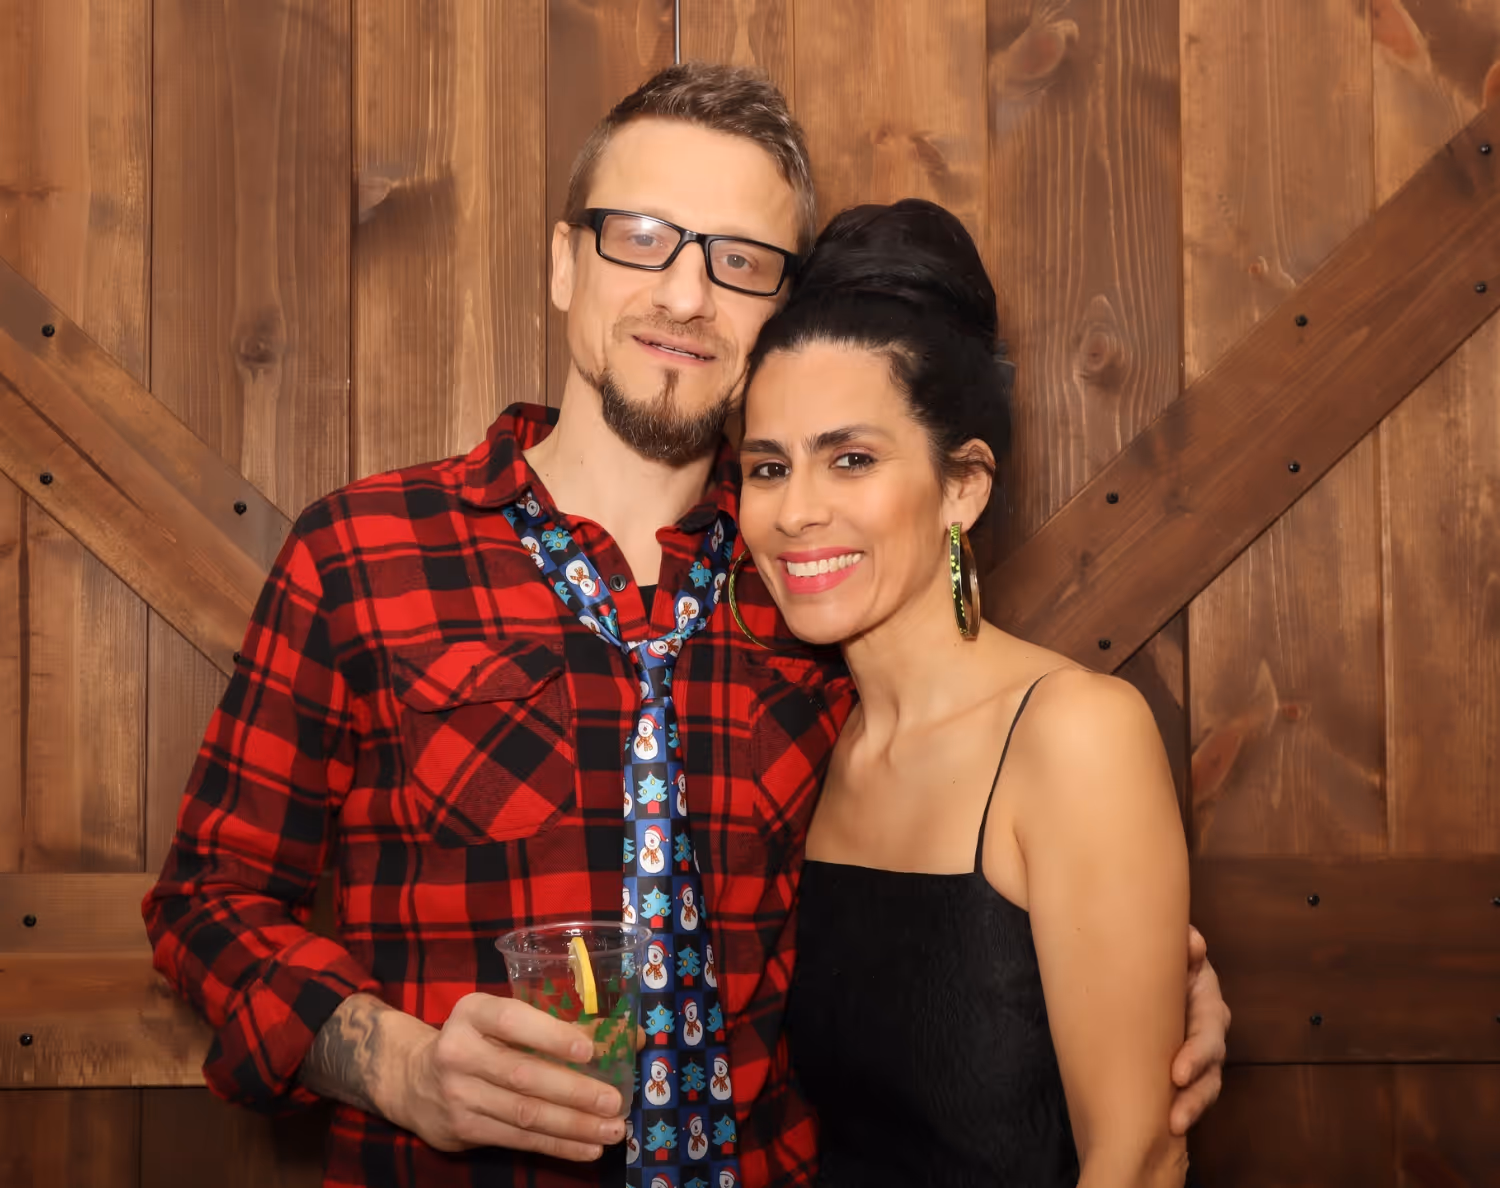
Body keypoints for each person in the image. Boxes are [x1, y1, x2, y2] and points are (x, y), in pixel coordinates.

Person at [142, 63, 1229, 1188]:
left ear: (782, 312)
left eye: (740, 260)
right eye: (643, 237)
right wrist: (398, 1067)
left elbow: (972, 853)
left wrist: (1138, 986)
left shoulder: (819, 591)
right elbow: (204, 904)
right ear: (566, 263)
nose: (685, 293)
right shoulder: (363, 554)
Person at [734, 198, 1194, 1186]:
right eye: (767, 467)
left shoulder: (1074, 734)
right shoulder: (814, 745)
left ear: (963, 488)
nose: (796, 510)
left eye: (850, 459)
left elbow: (1142, 1155)